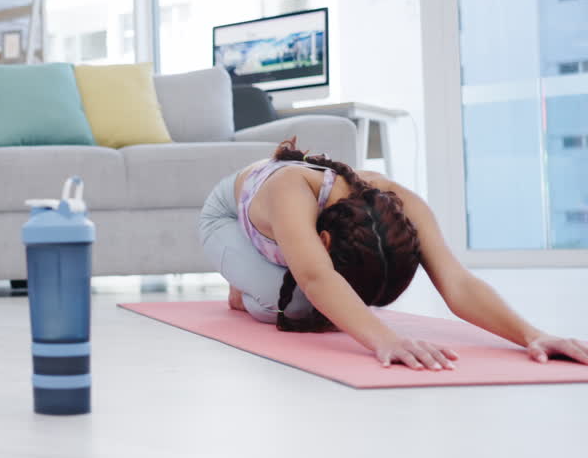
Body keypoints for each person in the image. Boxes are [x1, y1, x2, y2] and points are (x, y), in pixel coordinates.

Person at [198, 139, 588, 369]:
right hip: (227, 218)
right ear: (325, 242)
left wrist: (534, 335)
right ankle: (242, 290)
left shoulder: (402, 204)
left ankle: (274, 269)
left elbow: (457, 282)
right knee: (300, 308)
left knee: (332, 308)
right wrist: (385, 339)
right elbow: (317, 277)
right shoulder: (291, 190)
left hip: (293, 234)